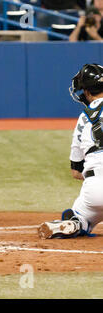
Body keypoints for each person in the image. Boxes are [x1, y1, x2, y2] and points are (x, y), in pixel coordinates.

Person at [38, 64, 103, 239]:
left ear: (87, 92)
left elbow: (76, 171)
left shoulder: (84, 117)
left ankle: (75, 223)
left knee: (81, 218)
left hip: (95, 189)